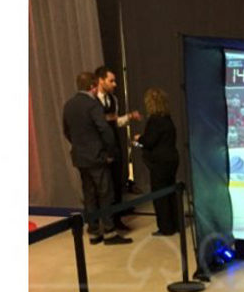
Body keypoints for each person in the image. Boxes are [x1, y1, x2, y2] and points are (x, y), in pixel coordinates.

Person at [62, 72, 132, 245]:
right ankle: (109, 231)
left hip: (80, 157)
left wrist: (79, 146)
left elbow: (66, 130)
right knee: (105, 192)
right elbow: (105, 129)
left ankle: (93, 231)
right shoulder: (92, 104)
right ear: (92, 86)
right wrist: (109, 152)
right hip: (97, 157)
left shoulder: (69, 105)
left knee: (89, 194)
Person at [94, 66, 142, 232]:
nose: (114, 84)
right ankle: (103, 223)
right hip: (100, 148)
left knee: (116, 183)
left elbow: (115, 122)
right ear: (101, 80)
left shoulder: (113, 100)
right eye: (111, 80)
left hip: (114, 145)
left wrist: (128, 117)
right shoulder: (92, 100)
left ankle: (116, 219)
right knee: (102, 187)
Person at [133, 88, 180, 236]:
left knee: (160, 195)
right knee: (171, 193)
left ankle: (166, 227)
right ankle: (175, 223)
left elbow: (149, 141)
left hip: (160, 163)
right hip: (172, 159)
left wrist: (138, 138)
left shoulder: (154, 121)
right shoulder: (167, 118)